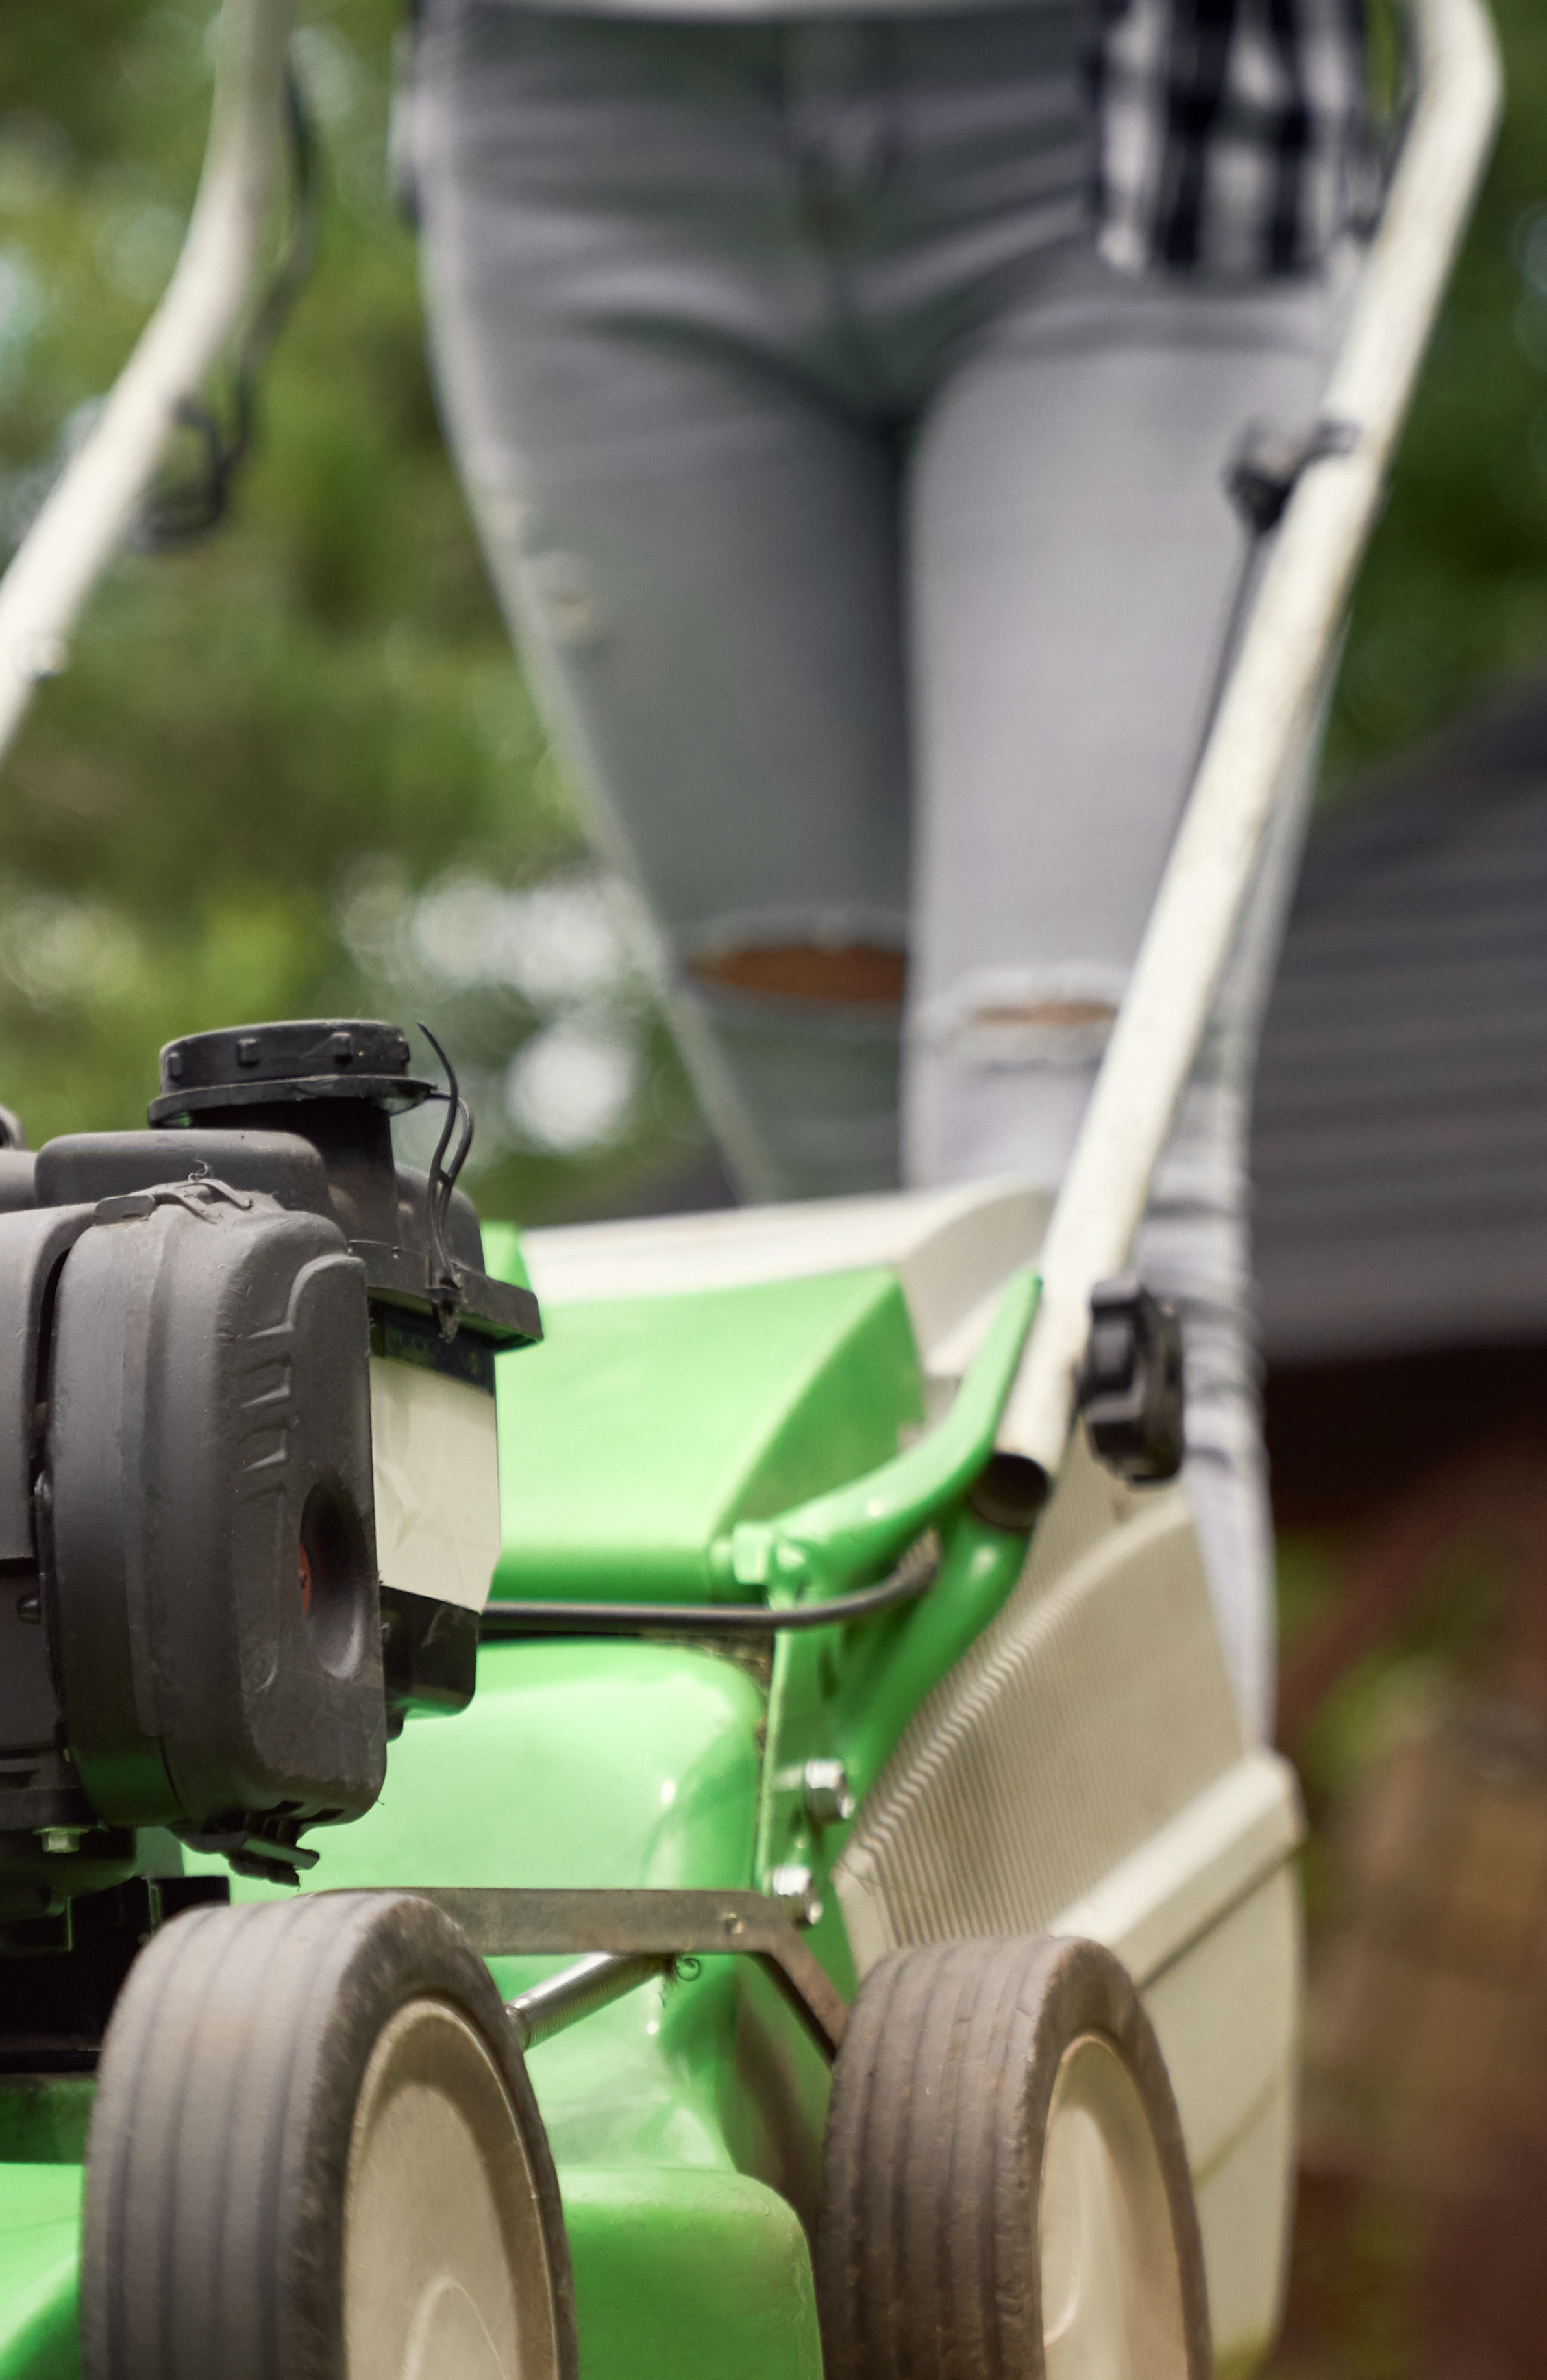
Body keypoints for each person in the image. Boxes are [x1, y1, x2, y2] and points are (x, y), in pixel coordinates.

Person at [412, 0, 1387, 1738]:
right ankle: (876, 1973)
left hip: (1134, 117)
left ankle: (1112, 1986)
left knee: (1076, 1242)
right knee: (854, 1264)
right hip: (567, 125)